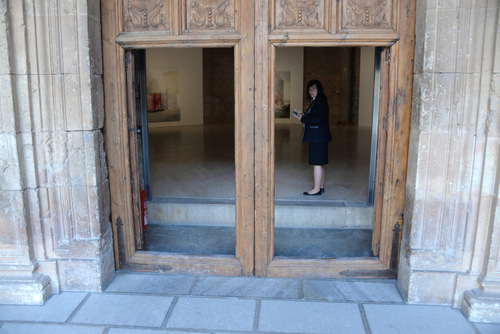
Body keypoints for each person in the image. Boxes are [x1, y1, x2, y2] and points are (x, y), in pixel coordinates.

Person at [294, 79, 332, 196]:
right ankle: (320, 186)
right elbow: (315, 116)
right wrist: (305, 115)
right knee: (320, 163)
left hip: (318, 137)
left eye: (314, 89)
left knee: (317, 163)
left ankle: (316, 189)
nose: (311, 91)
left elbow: (317, 120)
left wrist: (303, 119)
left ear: (319, 89)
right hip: (319, 136)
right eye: (310, 89)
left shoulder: (320, 102)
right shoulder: (318, 101)